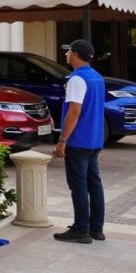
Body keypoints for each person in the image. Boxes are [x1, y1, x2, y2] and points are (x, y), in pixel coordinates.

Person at [53, 39, 106, 244]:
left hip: (78, 140)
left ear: (75, 55)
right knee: (94, 184)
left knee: (79, 185)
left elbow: (74, 112)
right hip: (94, 139)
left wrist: (63, 139)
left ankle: (81, 229)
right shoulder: (97, 77)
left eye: (68, 52)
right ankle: (96, 228)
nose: (66, 55)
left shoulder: (77, 79)